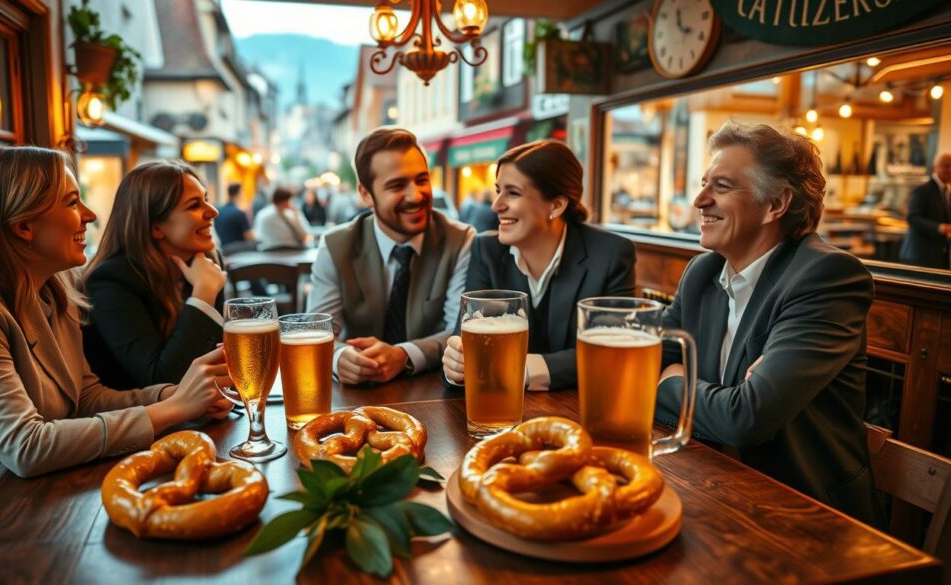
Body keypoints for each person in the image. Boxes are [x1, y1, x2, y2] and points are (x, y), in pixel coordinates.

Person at [0, 147, 232, 542]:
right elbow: (26, 446)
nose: (90, 216)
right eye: (73, 202)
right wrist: (174, 408)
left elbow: (85, 397)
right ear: (24, 226)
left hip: (48, 501)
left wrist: (174, 393)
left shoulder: (54, 291)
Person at [655, 123, 883, 526]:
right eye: (704, 183)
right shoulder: (703, 272)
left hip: (808, 516)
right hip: (714, 489)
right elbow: (645, 359)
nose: (699, 200)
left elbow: (746, 420)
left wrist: (672, 381)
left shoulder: (827, 276)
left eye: (721, 187)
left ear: (776, 203)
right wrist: (684, 381)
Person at [441, 140, 636, 391]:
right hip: (500, 413)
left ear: (556, 205)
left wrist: (519, 371)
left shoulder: (610, 254)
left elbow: (612, 352)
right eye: (498, 190)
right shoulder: (486, 251)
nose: (496, 205)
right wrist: (455, 365)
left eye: (512, 193)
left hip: (582, 412)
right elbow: (466, 347)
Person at [307, 127, 475, 384]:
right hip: (356, 400)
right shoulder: (336, 245)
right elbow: (318, 332)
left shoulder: (460, 240)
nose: (415, 195)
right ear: (366, 195)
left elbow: (461, 333)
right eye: (397, 185)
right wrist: (340, 357)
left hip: (436, 397)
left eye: (422, 180)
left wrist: (403, 355)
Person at [82, 161, 226, 390]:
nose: (213, 211)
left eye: (206, 199)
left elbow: (217, 355)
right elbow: (161, 379)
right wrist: (203, 294)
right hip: (137, 421)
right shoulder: (111, 281)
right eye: (194, 205)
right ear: (156, 227)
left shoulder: (206, 264)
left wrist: (218, 393)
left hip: (197, 418)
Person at [899, 152, 951, 269]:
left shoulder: (947, 191)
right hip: (919, 256)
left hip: (939, 256)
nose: (950, 170)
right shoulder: (922, 190)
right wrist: (940, 228)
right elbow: (912, 218)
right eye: (946, 166)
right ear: (934, 168)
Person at [214, 183, 255, 251]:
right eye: (242, 192)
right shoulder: (239, 213)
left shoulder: (218, 212)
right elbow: (250, 237)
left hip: (224, 249)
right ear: (239, 193)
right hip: (239, 250)